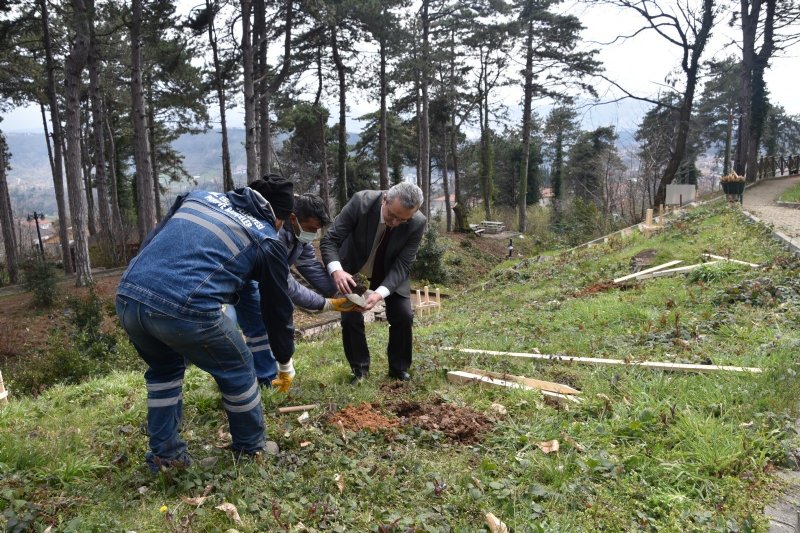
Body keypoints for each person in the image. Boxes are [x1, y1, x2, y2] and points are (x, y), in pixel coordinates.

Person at [116, 175, 296, 473]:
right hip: (186, 308)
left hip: (128, 296)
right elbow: (277, 309)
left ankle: (166, 459)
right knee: (238, 368)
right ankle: (252, 450)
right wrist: (284, 359)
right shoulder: (266, 237)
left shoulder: (197, 197)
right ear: (279, 218)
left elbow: (153, 240)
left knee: (164, 371)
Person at [228, 193, 362, 387]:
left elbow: (309, 265)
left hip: (261, 277)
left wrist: (338, 293)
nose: (313, 234)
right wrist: (325, 304)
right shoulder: (276, 235)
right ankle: (261, 380)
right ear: (293, 218)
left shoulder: (300, 237)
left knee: (273, 319)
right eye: (310, 228)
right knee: (258, 323)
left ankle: (269, 374)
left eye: (317, 230)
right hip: (243, 276)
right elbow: (285, 282)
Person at [320, 182, 426, 384]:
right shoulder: (361, 202)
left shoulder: (418, 223)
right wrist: (337, 271)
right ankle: (360, 370)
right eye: (392, 215)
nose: (395, 223)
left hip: (390, 273)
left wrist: (379, 294)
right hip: (351, 270)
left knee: (403, 315)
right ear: (385, 198)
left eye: (403, 220)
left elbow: (403, 264)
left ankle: (399, 369)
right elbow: (330, 240)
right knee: (350, 317)